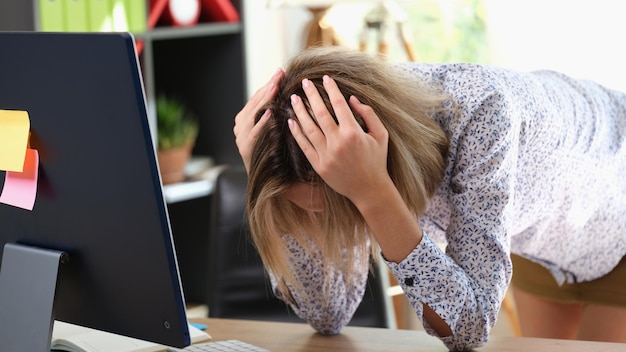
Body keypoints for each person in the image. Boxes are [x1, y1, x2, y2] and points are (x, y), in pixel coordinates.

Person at [233, 46, 626, 351]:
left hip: (615, 210)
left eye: (333, 210)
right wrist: (266, 177)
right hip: (539, 237)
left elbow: (469, 327)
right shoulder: (337, 141)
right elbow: (327, 313)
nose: (334, 229)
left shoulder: (481, 111)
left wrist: (373, 192)